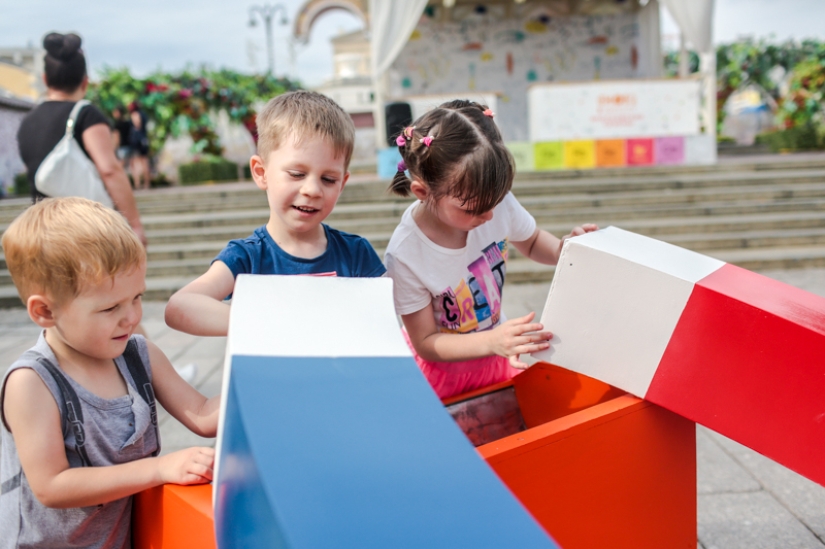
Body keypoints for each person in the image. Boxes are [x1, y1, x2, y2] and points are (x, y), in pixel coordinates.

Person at [0, 197, 219, 549]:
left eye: (136, 298)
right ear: (44, 311)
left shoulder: (139, 356)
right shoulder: (32, 383)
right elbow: (51, 485)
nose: (131, 317)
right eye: (110, 307)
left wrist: (258, 383)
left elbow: (205, 415)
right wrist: (158, 470)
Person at [384, 100, 598, 399]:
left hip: (496, 356)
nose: (489, 217)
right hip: (441, 378)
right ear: (422, 191)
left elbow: (533, 241)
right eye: (474, 209)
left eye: (495, 203)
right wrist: (492, 341)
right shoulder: (406, 254)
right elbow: (426, 342)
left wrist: (566, 249)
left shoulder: (493, 202)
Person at [164, 90, 386, 337]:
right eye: (296, 174)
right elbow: (180, 307)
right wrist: (276, 322)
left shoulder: (355, 253)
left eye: (328, 179)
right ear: (261, 172)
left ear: (342, 184)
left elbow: (383, 317)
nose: (312, 189)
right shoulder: (247, 257)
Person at [16, 32, 146, 246]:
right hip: (85, 232)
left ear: (45, 79)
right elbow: (110, 170)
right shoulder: (87, 115)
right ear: (85, 81)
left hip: (42, 232)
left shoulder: (27, 121)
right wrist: (135, 225)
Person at [128, 102, 151, 190]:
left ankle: (138, 183)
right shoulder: (144, 115)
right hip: (144, 141)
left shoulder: (135, 114)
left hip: (137, 142)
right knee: (145, 162)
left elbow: (137, 125)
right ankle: (146, 183)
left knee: (136, 163)